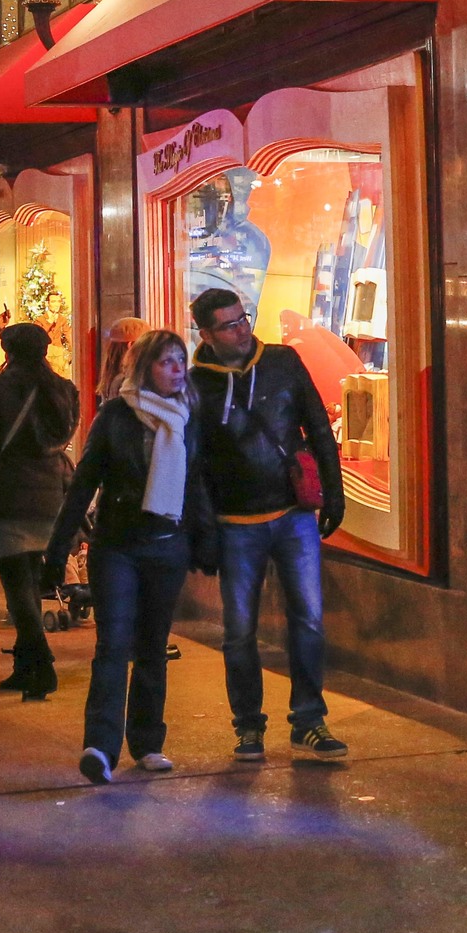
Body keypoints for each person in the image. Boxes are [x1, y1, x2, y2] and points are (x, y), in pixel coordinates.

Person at [47, 328, 217, 781]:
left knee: (152, 648)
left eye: (180, 361)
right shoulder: (116, 416)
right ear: (144, 368)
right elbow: (84, 481)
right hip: (118, 546)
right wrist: (58, 545)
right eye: (165, 362)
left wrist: (205, 539)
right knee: (112, 646)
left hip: (168, 546)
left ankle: (147, 743)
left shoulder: (188, 416)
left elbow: (196, 481)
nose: (176, 370)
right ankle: (100, 747)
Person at [187, 287, 347, 764]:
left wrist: (333, 494)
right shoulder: (198, 383)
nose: (242, 329)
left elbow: (317, 425)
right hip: (235, 523)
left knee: (309, 621)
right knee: (239, 631)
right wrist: (204, 530)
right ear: (206, 333)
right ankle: (248, 727)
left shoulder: (282, 362)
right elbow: (194, 463)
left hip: (292, 513)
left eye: (244, 318)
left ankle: (309, 721)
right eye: (230, 324)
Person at [0, 323, 79, 701]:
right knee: (30, 576)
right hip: (51, 495)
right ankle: (24, 666)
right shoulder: (64, 390)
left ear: (8, 350)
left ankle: (40, 663)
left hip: (7, 494)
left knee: (18, 586)